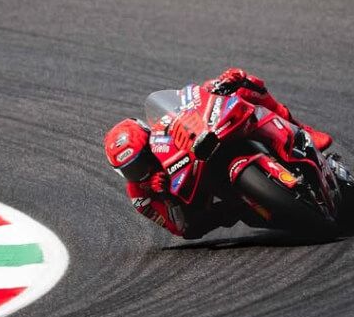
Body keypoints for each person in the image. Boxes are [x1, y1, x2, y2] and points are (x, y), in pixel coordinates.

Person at [104, 68, 333, 239]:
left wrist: (220, 85)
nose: (141, 170)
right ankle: (262, 203)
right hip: (217, 199)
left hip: (216, 143)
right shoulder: (140, 196)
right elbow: (182, 229)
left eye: (143, 159)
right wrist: (166, 196)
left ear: (149, 137)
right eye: (132, 170)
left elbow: (192, 101)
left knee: (243, 83)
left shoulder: (163, 132)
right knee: (211, 220)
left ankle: (300, 129)